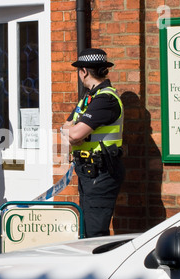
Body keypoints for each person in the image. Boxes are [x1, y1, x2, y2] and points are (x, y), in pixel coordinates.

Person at [61, 48, 125, 238]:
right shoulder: (88, 99)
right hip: (89, 172)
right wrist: (70, 132)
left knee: (95, 233)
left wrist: (71, 132)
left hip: (102, 172)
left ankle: (99, 268)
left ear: (84, 72)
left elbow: (73, 134)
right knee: (88, 230)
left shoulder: (106, 99)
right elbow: (65, 127)